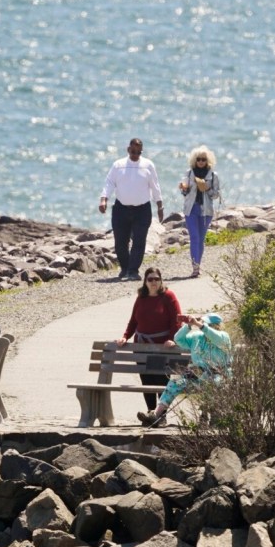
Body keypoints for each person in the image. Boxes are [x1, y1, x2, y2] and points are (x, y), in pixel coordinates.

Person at [137, 312, 232, 428]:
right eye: (203, 322)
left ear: (216, 326)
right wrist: (188, 326)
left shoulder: (224, 336)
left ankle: (215, 417)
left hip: (218, 374)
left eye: (206, 323)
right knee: (174, 383)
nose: (202, 324)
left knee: (216, 384)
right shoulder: (197, 337)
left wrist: (201, 326)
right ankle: (155, 415)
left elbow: (216, 337)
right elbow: (178, 339)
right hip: (198, 374)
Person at [115, 266, 182, 414]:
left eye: (157, 279)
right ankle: (150, 412)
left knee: (161, 380)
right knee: (146, 380)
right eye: (150, 279)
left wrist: (172, 339)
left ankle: (160, 414)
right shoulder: (141, 297)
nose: (154, 282)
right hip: (142, 346)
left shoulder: (168, 296)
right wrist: (125, 336)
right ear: (145, 281)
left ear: (161, 280)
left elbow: (176, 321)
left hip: (162, 347)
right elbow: (133, 321)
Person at [98, 138, 164, 281]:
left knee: (139, 241)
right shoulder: (118, 165)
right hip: (121, 209)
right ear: (128, 150)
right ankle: (125, 268)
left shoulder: (148, 165)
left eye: (139, 152)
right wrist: (104, 199)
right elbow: (109, 183)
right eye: (133, 151)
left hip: (142, 210)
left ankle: (133, 271)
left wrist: (160, 205)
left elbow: (155, 186)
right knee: (120, 242)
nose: (135, 154)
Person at [179, 146, 221, 278]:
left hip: (206, 211)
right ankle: (195, 267)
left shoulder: (213, 176)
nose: (201, 162)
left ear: (208, 160)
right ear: (194, 160)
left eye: (204, 159)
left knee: (201, 239)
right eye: (199, 159)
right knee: (194, 237)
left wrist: (206, 189)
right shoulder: (189, 173)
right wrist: (184, 188)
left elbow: (216, 195)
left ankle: (198, 264)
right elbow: (184, 192)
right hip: (191, 209)